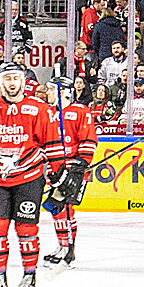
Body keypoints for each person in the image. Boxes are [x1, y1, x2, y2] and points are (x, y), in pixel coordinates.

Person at [0, 62, 64, 287]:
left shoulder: (39, 109)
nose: (11, 83)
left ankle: (28, 277)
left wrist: (59, 175)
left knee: (26, 229)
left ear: (23, 81)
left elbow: (52, 143)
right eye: (7, 79)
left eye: (15, 78)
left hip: (30, 176)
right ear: (0, 82)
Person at [42, 76, 98, 270]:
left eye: (51, 89)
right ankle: (62, 246)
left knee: (66, 210)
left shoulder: (80, 111)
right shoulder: (49, 113)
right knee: (56, 209)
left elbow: (89, 139)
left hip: (73, 169)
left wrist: (82, 162)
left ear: (63, 92)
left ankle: (69, 251)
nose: (47, 93)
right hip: (54, 169)